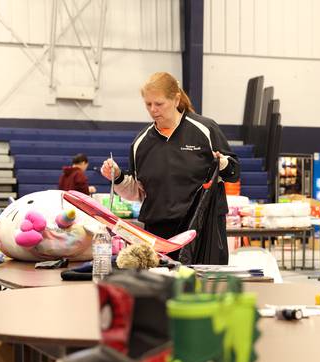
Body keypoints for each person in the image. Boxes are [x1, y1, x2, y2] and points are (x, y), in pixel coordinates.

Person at [101, 72, 238, 263]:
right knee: (164, 290)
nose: (153, 110)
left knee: (205, 290)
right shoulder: (141, 142)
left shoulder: (205, 129)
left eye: (159, 104)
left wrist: (222, 163)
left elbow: (233, 172)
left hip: (203, 230)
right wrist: (117, 177)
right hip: (159, 233)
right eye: (148, 104)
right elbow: (138, 192)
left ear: (176, 99)